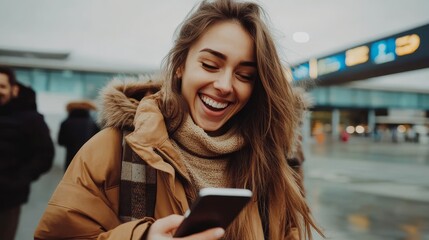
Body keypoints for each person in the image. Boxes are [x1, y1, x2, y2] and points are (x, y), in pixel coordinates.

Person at [35, 0, 323, 239]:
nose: (224, 84)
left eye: (244, 75)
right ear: (180, 67)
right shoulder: (110, 149)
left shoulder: (274, 156)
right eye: (210, 65)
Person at [0, 67, 54, 240]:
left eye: (2, 86)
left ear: (14, 90)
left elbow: (44, 156)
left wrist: (17, 180)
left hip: (6, 199)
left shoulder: (31, 119)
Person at [58, 100, 100, 171]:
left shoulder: (65, 123)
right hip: (88, 160)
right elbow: (98, 142)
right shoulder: (92, 124)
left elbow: (61, 141)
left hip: (70, 159)